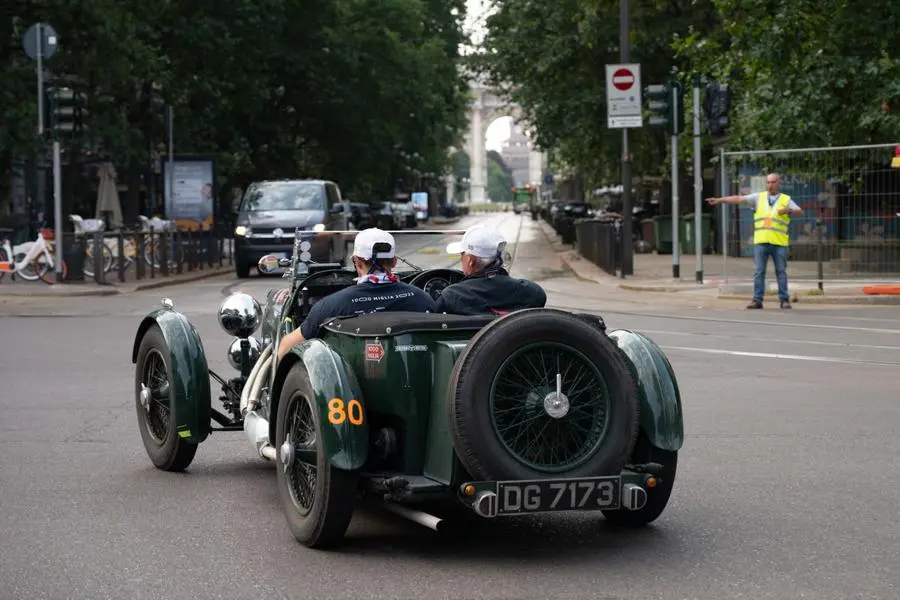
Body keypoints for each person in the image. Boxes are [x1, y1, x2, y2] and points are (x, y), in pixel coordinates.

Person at [277, 228, 437, 359]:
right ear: (394, 261)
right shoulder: (424, 301)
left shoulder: (329, 306)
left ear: (356, 261)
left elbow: (285, 347)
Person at [706, 172, 803, 309]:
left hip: (779, 243)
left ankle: (784, 300)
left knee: (781, 272)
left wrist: (788, 210)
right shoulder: (759, 197)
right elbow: (739, 198)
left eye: (773, 182)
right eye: (768, 182)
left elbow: (799, 211)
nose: (770, 185)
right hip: (761, 242)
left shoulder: (786, 199)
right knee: (759, 272)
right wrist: (720, 200)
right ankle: (757, 300)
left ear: (778, 183)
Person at [435, 225, 547, 316]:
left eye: (462, 255)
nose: (461, 259)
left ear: (470, 260)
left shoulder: (451, 296)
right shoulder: (533, 293)